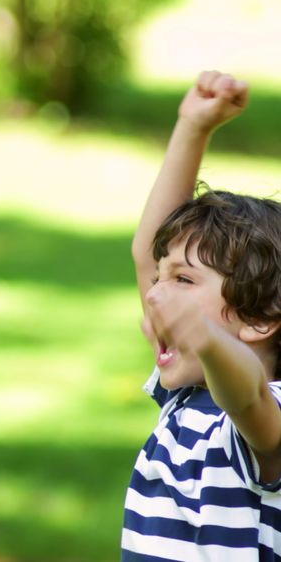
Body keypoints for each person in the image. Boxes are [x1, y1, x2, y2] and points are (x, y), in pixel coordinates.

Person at [124, 70, 281, 559]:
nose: (155, 295)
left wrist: (208, 341)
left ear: (259, 320)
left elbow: (247, 396)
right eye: (160, 283)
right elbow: (146, 254)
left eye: (184, 281)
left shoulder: (265, 411)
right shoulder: (186, 397)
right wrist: (193, 127)